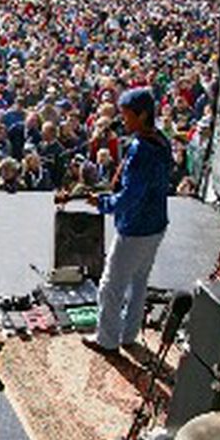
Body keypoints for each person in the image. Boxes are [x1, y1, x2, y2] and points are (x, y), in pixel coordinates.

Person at [81, 88, 172, 355]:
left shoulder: (140, 149)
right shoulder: (161, 140)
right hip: (156, 224)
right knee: (139, 282)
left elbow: (130, 197)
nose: (123, 120)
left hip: (135, 229)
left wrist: (102, 203)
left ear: (142, 115)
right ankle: (129, 335)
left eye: (127, 115)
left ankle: (107, 340)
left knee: (112, 284)